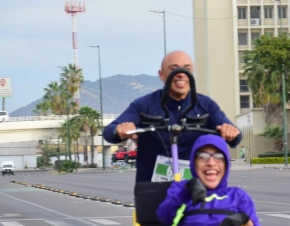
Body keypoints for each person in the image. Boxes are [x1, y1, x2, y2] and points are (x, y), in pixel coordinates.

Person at [103, 50, 242, 183]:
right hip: (152, 188)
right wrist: (120, 130)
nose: (181, 74)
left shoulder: (206, 105)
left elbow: (234, 136)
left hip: (195, 189)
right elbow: (109, 132)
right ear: (161, 74)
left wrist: (231, 132)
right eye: (173, 68)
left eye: (187, 69)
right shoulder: (144, 105)